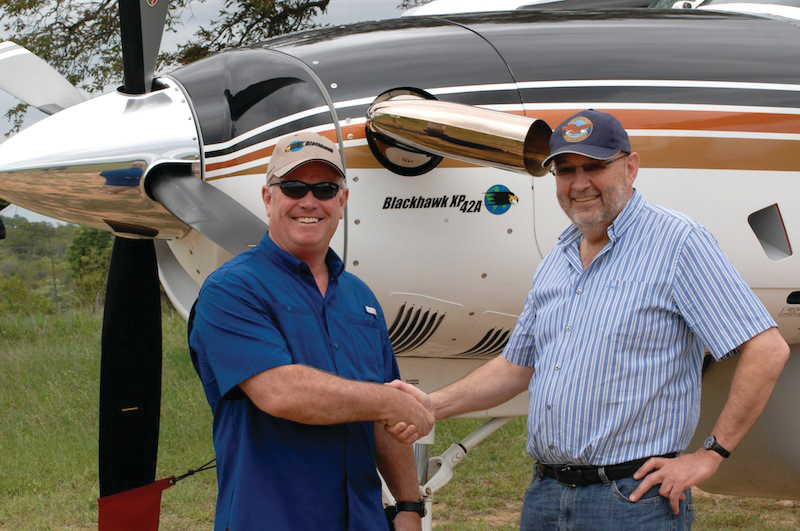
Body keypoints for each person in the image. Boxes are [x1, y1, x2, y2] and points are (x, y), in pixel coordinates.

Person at [388, 110, 789, 529]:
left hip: (633, 501)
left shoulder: (677, 243)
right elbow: (516, 367)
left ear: (630, 167)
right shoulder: (558, 258)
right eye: (565, 171)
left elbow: (766, 349)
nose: (579, 184)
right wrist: (433, 406)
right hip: (546, 496)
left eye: (594, 167)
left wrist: (710, 456)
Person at [189, 132, 432, 531]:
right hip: (270, 519)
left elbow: (383, 411)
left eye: (324, 189)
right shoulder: (232, 289)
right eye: (293, 187)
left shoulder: (361, 298)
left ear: (342, 201)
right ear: (268, 198)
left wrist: (408, 504)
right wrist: (389, 403)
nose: (309, 201)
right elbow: (280, 393)